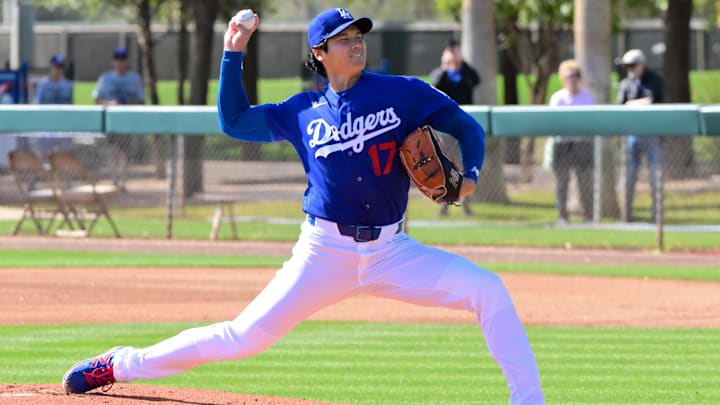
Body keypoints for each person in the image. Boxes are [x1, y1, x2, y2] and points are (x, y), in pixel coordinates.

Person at [62, 9, 545, 404]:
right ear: (319, 53)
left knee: (489, 290)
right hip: (323, 252)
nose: (355, 43)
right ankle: (120, 364)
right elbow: (233, 121)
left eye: (358, 35)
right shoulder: (300, 111)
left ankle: (529, 400)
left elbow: (468, 127)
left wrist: (472, 176)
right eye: (342, 38)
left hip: (391, 251)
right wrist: (233, 51)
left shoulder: (403, 92)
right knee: (241, 337)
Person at [430, 38, 481, 217]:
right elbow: (434, 86)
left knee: (464, 167)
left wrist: (460, 62)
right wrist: (446, 67)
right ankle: (445, 203)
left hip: (464, 129)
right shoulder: (441, 74)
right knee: (446, 165)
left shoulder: (465, 72)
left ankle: (466, 203)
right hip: (446, 129)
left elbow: (476, 80)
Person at [616, 49, 663, 223]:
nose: (630, 69)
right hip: (631, 135)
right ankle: (626, 217)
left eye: (633, 65)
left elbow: (651, 100)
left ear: (642, 64)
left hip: (651, 134)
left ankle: (657, 217)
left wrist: (631, 103)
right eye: (628, 66)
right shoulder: (625, 84)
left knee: (655, 176)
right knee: (628, 177)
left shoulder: (654, 80)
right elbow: (620, 105)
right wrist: (635, 103)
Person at [547, 59, 595, 224]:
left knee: (585, 182)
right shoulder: (558, 98)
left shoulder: (587, 97)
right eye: (568, 76)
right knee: (562, 182)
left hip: (582, 144)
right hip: (563, 145)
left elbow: (591, 121)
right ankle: (562, 216)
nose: (571, 79)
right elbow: (552, 121)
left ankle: (588, 216)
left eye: (574, 76)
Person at [93, 47, 145, 191]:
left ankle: (123, 182)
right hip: (111, 120)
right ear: (113, 61)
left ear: (126, 61)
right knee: (112, 150)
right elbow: (97, 98)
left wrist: (126, 103)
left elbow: (141, 100)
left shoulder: (134, 78)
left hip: (127, 120)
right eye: (117, 59)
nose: (120, 62)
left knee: (125, 153)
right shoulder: (106, 78)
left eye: (123, 59)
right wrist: (110, 103)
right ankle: (114, 181)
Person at [32, 54, 74, 157]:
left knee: (63, 156)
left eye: (61, 66)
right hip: (46, 126)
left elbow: (70, 106)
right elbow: (37, 104)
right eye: (56, 66)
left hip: (63, 127)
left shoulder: (67, 85)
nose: (58, 69)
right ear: (51, 66)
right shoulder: (43, 85)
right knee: (45, 156)